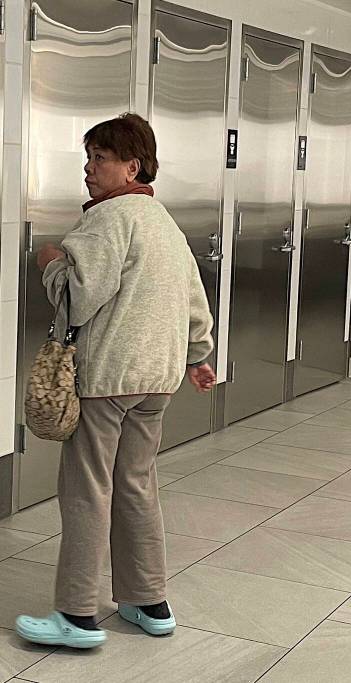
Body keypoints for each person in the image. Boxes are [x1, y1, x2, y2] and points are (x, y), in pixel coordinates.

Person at [15, 113, 215, 649]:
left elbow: (81, 295)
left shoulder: (108, 219)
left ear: (132, 166)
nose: (89, 168)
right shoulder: (162, 221)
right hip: (157, 381)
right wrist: (198, 356)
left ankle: (78, 615)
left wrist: (51, 262)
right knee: (136, 485)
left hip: (108, 379)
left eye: (100, 158)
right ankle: (148, 602)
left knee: (86, 492)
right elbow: (194, 302)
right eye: (89, 157)